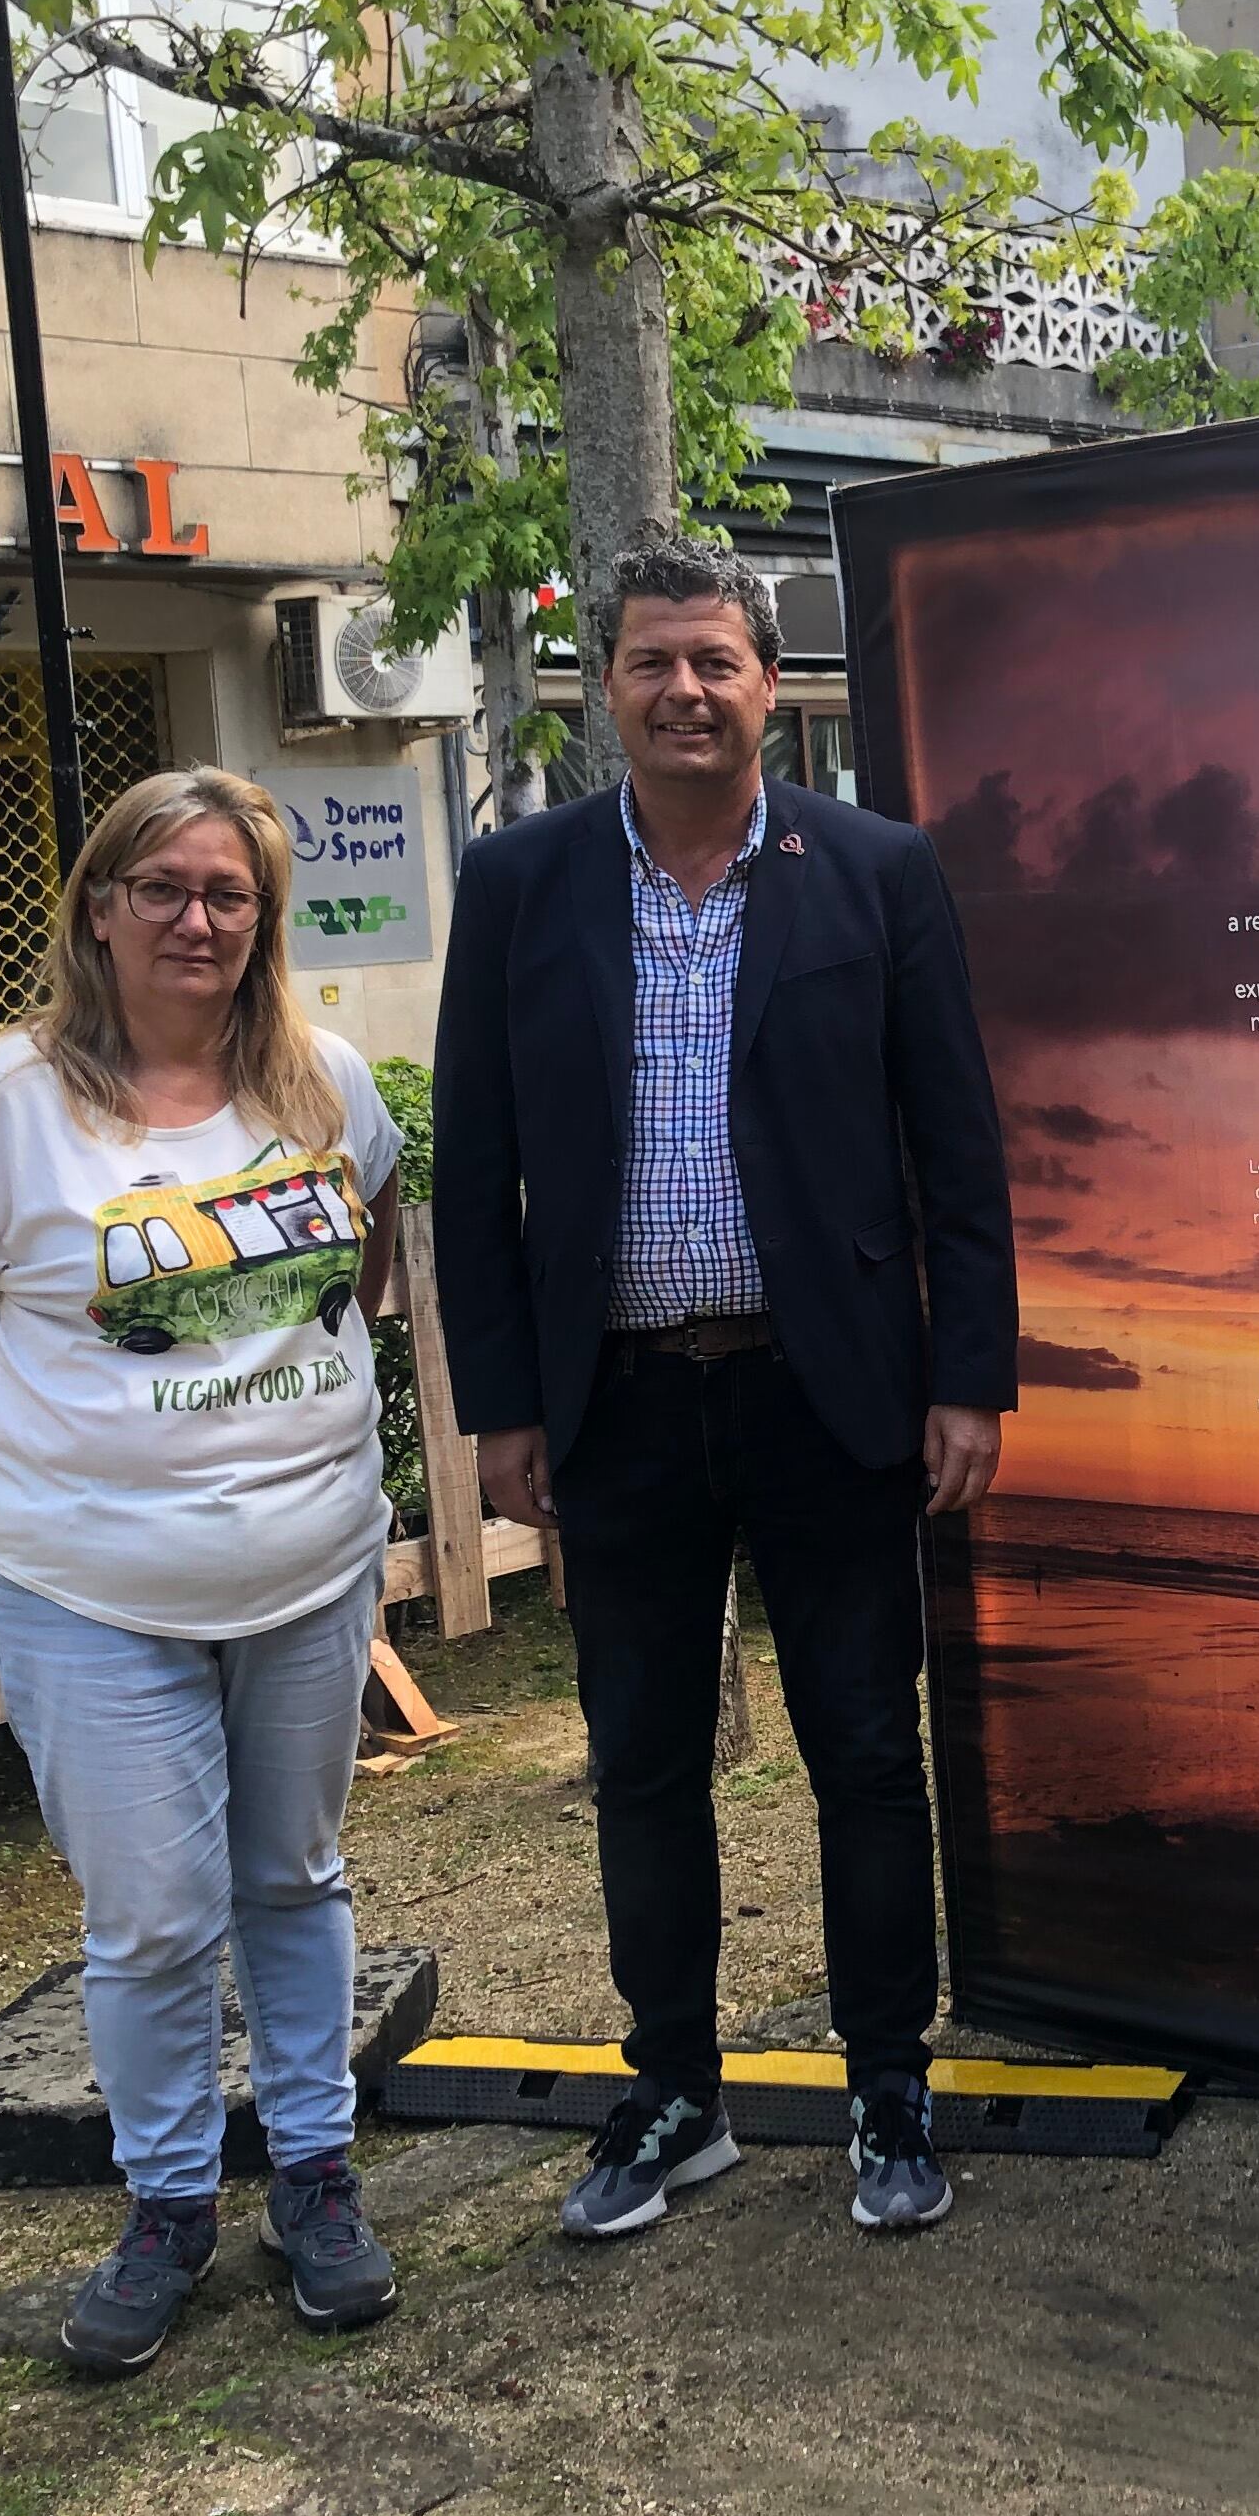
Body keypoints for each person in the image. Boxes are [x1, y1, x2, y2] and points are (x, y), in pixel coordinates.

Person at [432, 535, 1017, 2244]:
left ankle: (887, 2083)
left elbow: (957, 1149)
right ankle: (673, 2088)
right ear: (601, 684)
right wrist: (504, 1402)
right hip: (618, 1402)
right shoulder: (521, 883)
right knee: (642, 1763)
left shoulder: (875, 871)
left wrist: (967, 1370)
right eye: (649, 661)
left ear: (769, 681)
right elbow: (476, 1171)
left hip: (826, 1396)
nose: (684, 690)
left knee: (861, 1752)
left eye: (714, 660)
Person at [0, 769, 408, 2378]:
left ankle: (313, 2174)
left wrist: (296, 1410)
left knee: (294, 1881)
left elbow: (368, 1248)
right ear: (98, 908)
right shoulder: (9, 1105)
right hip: (92, 1596)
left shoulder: (325, 1081)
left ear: (264, 921)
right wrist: (10, 1477)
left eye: (227, 895)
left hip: (309, 1570)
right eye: (161, 888)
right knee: (156, 1917)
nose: (196, 919)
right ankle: (169, 2198)